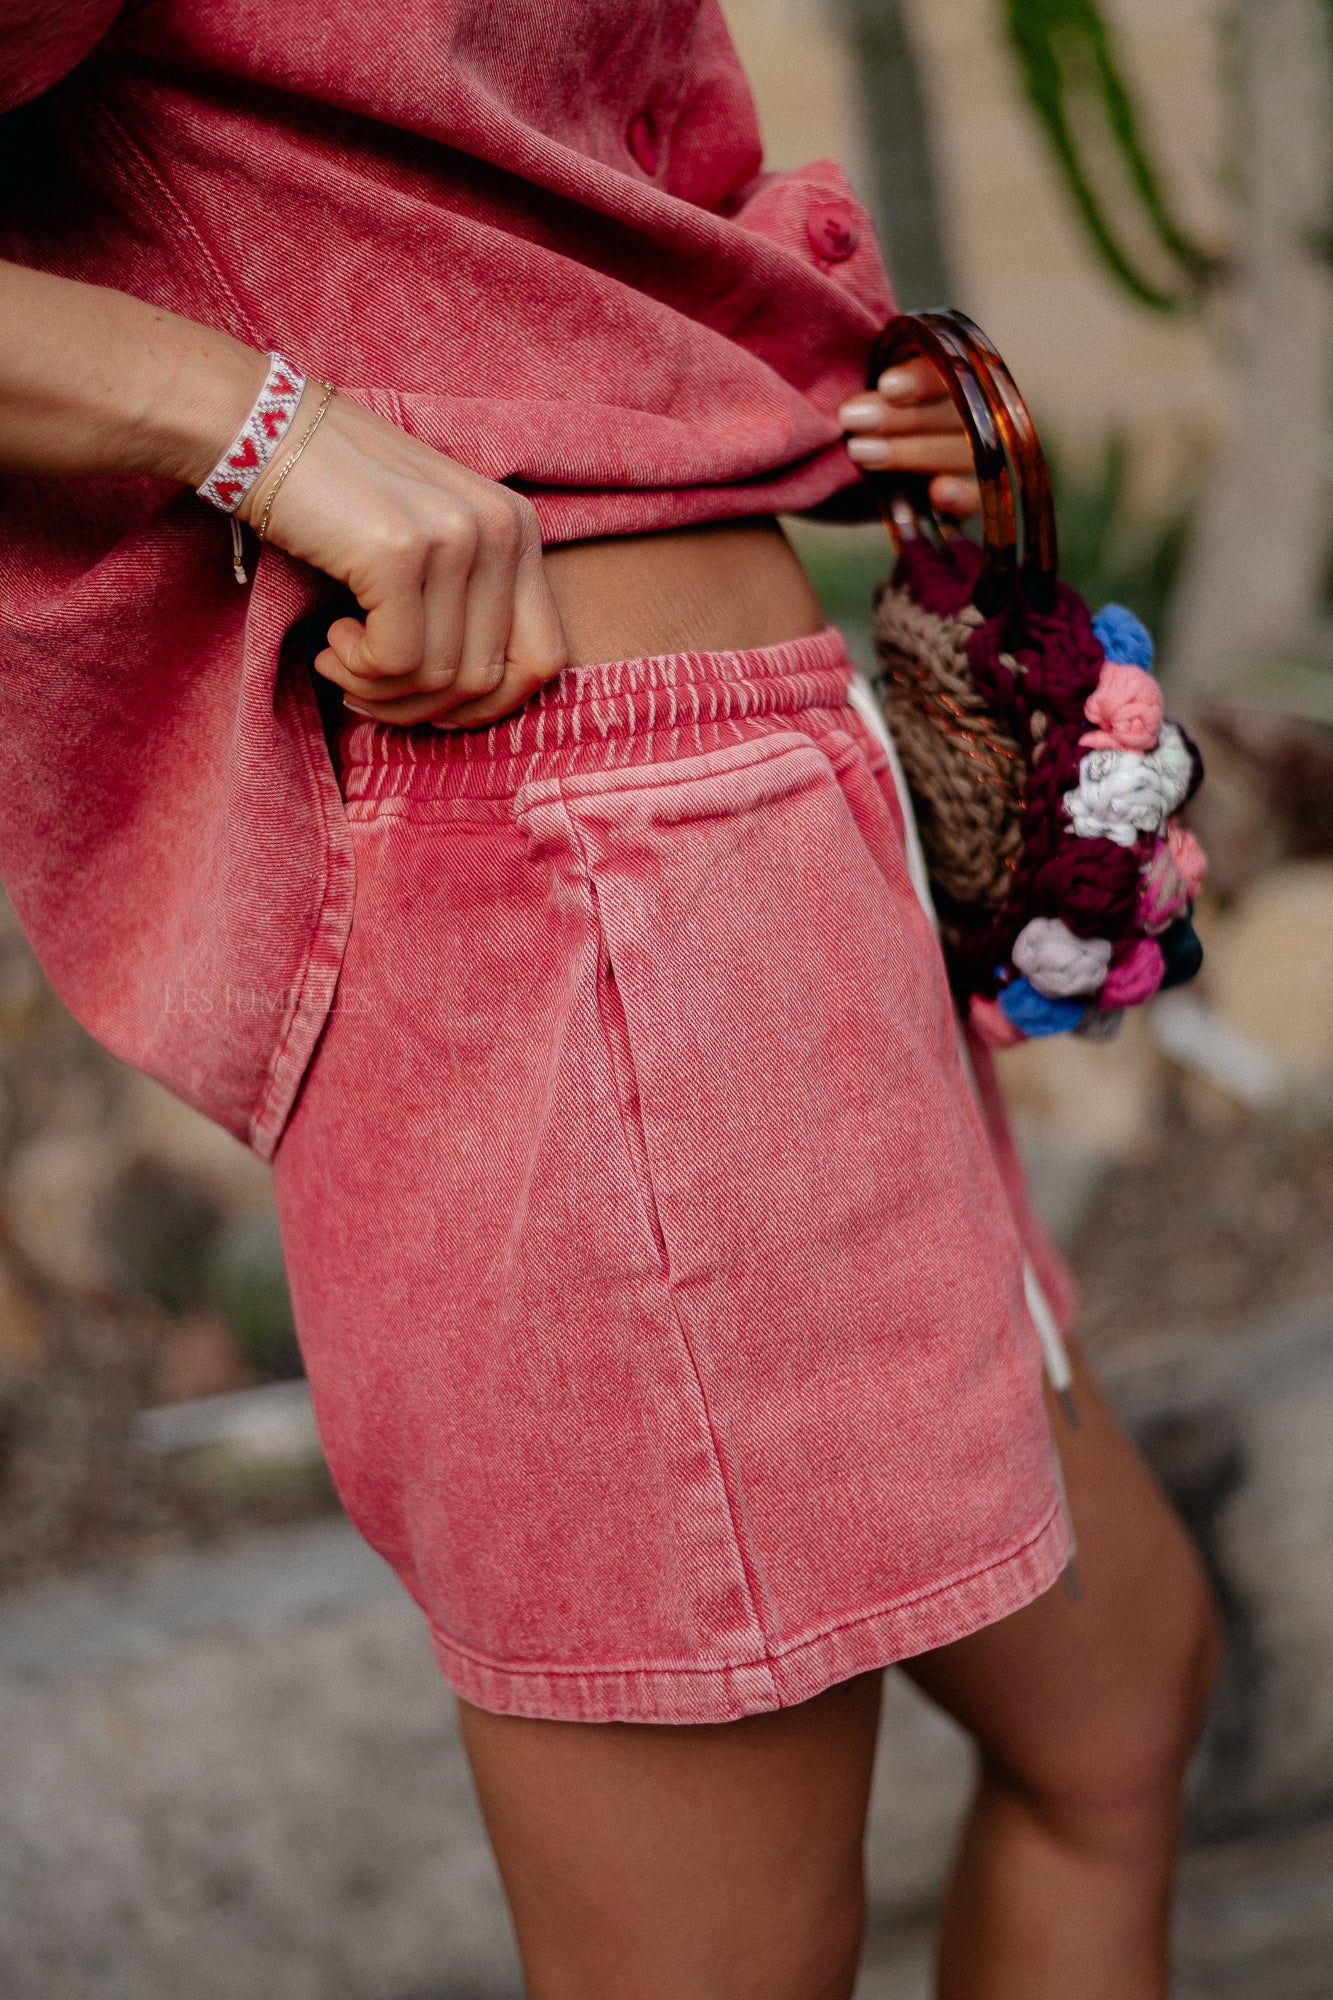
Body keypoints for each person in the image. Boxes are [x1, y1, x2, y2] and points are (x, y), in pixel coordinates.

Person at [0, 4, 1221, 1994]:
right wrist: (263, 426)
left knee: (1116, 1707)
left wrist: (824, 364)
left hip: (777, 844)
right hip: (592, 883)